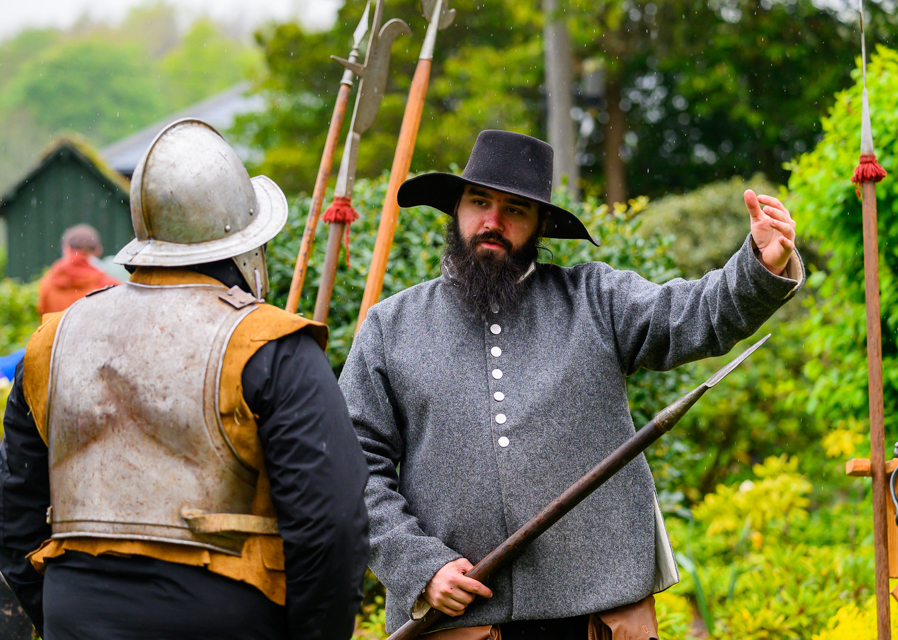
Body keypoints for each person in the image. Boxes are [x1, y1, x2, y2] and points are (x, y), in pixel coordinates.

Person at [339, 130, 804, 639]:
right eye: (479, 202)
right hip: (461, 624)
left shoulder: (595, 299)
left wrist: (760, 265)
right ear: (456, 209)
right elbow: (353, 467)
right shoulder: (391, 326)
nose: (493, 222)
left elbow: (693, 315)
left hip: (600, 621)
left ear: (540, 224)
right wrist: (419, 567)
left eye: (515, 209)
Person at [0, 119, 370, 640]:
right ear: (245, 245)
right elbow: (331, 526)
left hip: (76, 616)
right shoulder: (271, 342)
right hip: (224, 620)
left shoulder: (50, 342)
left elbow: (14, 509)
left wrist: (65, 616)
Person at [37, 223, 121, 314]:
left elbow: (44, 318)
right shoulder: (111, 285)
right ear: (98, 250)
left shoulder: (47, 284)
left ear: (66, 248)